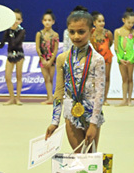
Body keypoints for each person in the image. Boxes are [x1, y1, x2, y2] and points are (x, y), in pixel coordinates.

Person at [45, 9, 105, 151]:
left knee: (90, 158)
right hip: (71, 112)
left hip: (91, 113)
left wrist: (93, 124)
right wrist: (55, 121)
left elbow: (99, 94)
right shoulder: (62, 58)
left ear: (91, 31)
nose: (76, 36)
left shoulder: (97, 60)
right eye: (72, 32)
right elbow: (59, 91)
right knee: (78, 156)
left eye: (81, 32)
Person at [0, 8, 25, 105]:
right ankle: (12, 98)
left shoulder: (21, 31)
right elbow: (1, 44)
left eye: (18, 19)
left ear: (21, 21)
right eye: (13, 19)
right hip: (10, 55)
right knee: (7, 77)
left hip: (19, 55)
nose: (15, 21)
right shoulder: (7, 31)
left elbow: (15, 43)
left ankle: (18, 99)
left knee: (18, 77)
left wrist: (12, 32)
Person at [114, 8, 134, 106]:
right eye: (129, 22)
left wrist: (131, 58)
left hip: (130, 58)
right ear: (123, 20)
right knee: (124, 78)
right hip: (121, 58)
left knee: (130, 78)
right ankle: (124, 98)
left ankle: (130, 99)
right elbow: (116, 47)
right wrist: (120, 58)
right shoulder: (117, 32)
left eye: (132, 23)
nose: (131, 25)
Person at [35, 9, 59, 104]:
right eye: (45, 20)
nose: (47, 22)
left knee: (51, 78)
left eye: (49, 20)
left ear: (53, 22)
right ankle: (50, 97)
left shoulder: (55, 35)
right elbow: (37, 48)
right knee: (46, 78)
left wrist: (51, 60)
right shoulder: (39, 34)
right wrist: (42, 59)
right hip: (43, 59)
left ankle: (50, 97)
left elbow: (56, 49)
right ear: (42, 21)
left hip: (52, 59)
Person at [90, 11, 114, 105]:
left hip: (107, 57)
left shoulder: (108, 33)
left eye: (103, 21)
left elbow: (110, 43)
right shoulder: (91, 33)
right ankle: (96, 97)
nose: (102, 23)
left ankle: (104, 98)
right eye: (99, 21)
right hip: (96, 58)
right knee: (95, 78)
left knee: (106, 78)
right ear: (94, 23)